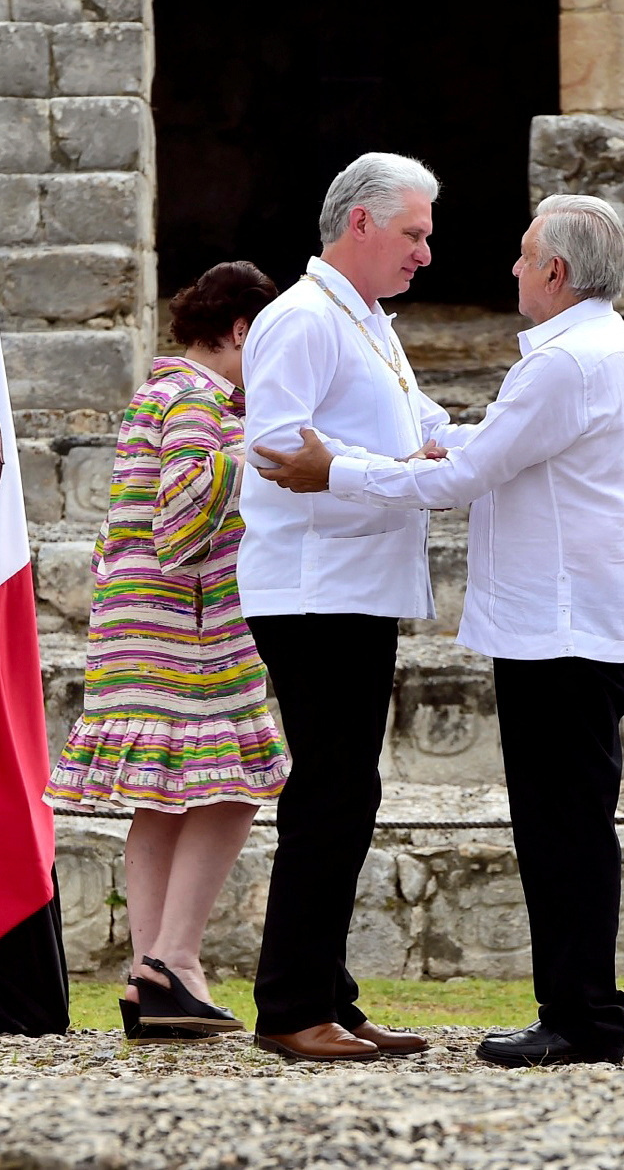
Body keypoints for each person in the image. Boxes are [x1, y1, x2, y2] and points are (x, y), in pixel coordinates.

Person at [255, 194, 624, 1066]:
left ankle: (581, 1018)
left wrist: (339, 471)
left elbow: (464, 476)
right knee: (562, 824)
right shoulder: (589, 346)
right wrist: (424, 451)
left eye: (521, 255)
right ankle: (577, 1012)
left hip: (561, 627)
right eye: (417, 233)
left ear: (553, 270)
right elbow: (482, 448)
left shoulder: (561, 362)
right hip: (569, 619)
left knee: (561, 829)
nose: (506, 268)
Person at [238, 152, 466, 1062]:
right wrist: (402, 477)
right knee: (331, 792)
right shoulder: (302, 319)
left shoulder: (367, 319)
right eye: (413, 234)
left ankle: (327, 990)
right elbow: (273, 448)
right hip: (313, 585)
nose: (424, 254)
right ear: (360, 224)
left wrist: (482, 448)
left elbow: (419, 425)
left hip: (358, 583)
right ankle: (291, 1004)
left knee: (349, 789)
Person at [47, 261, 290, 1043]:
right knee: (237, 783)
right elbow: (182, 516)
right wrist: (251, 452)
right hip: (184, 628)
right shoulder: (194, 398)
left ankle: (151, 973)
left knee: (160, 799)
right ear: (243, 329)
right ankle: (175, 957)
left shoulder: (157, 392)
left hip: (136, 622)